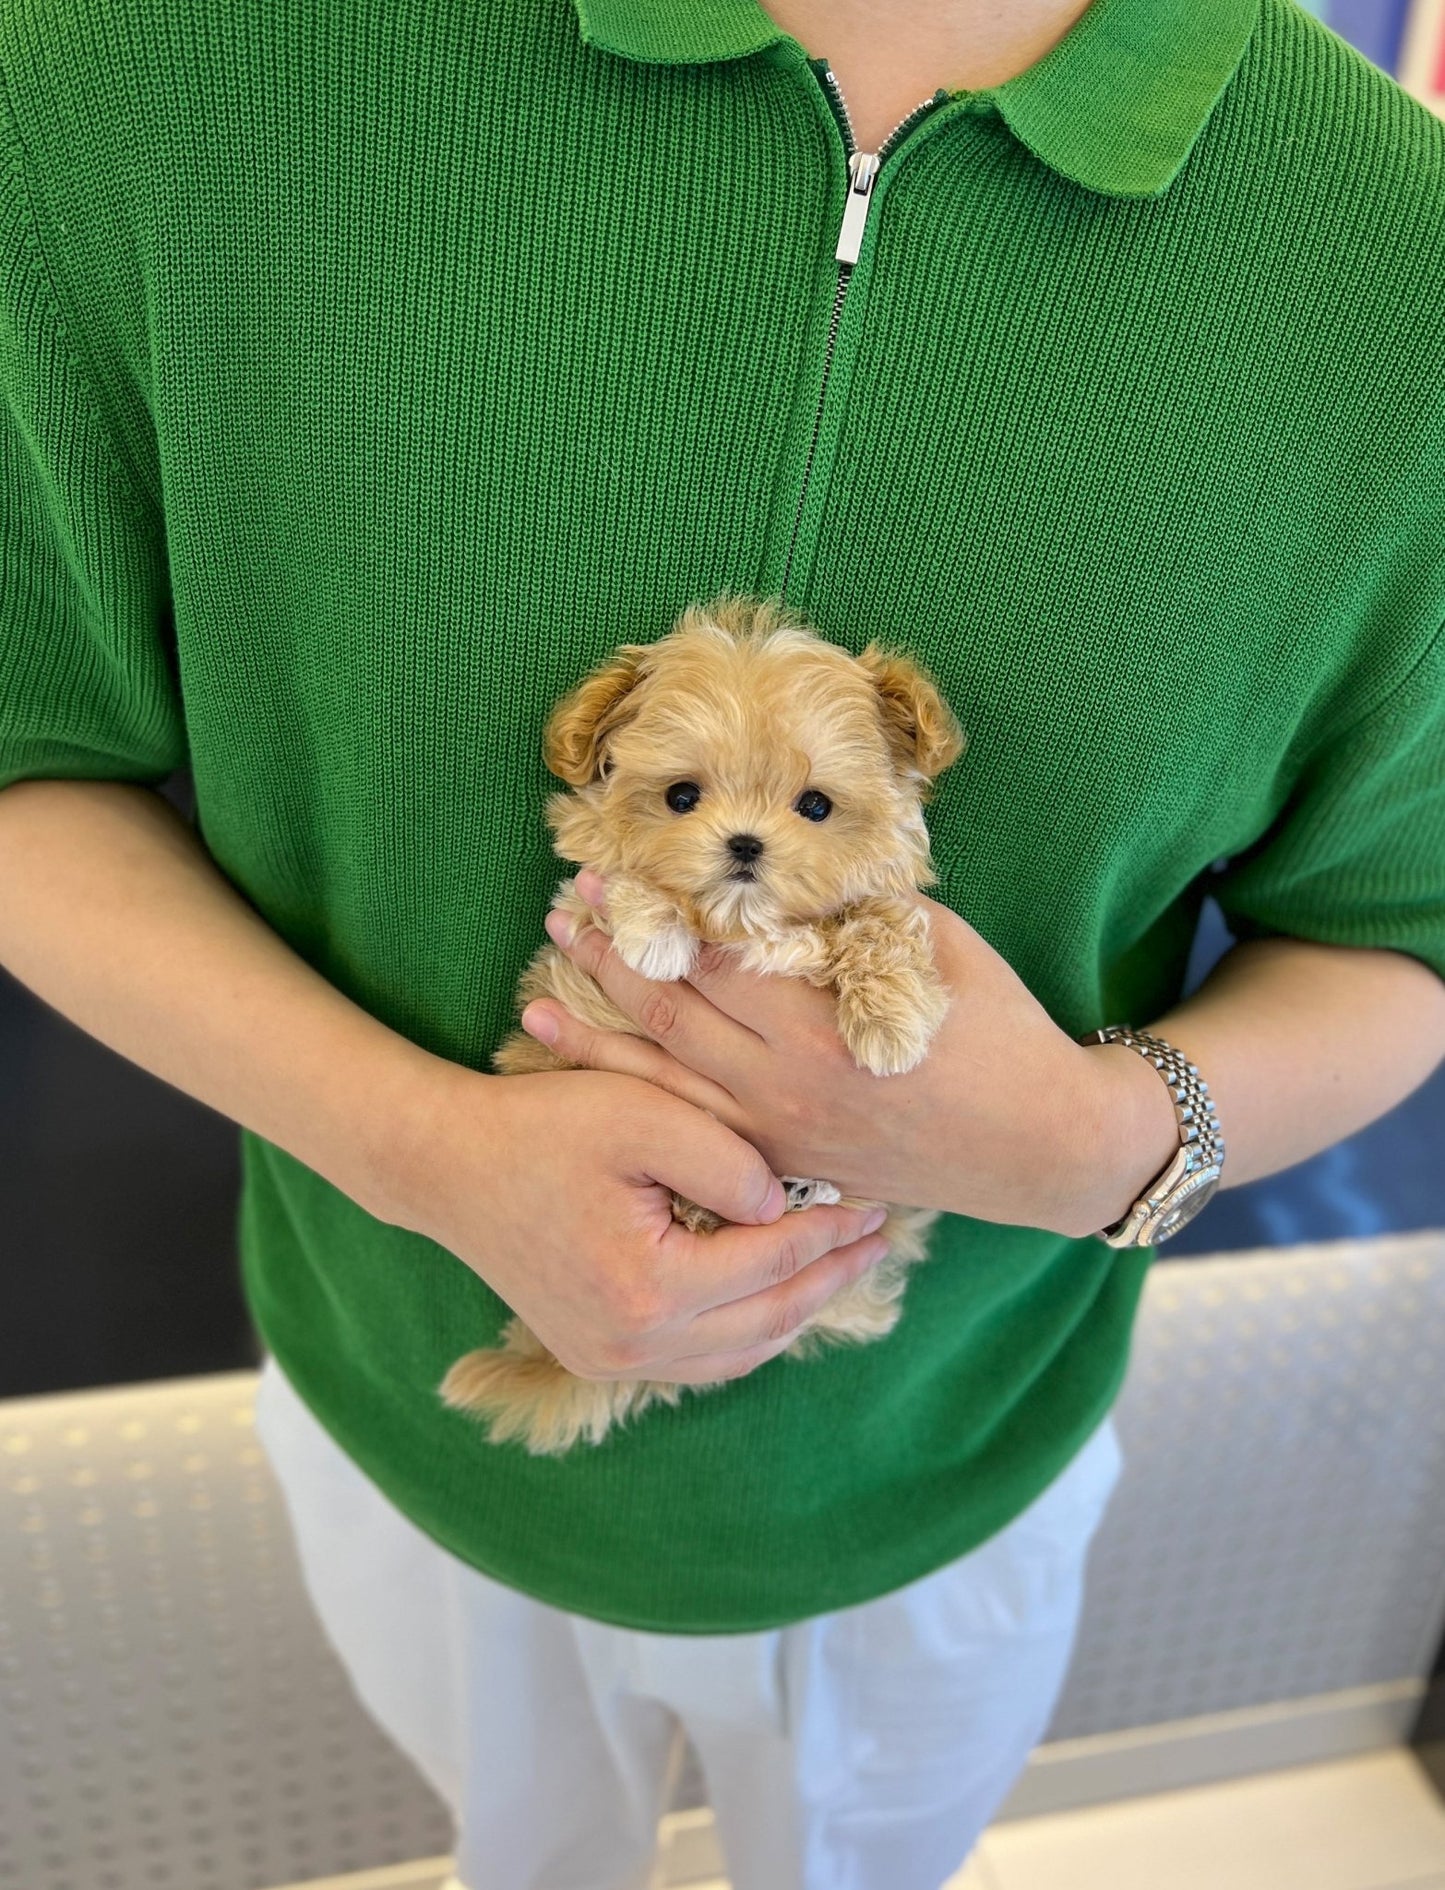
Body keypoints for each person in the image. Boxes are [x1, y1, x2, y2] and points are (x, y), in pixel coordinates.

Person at [1, 0, 1443, 1883]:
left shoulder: (1394, 278)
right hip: (411, 1419)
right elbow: (32, 755)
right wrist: (420, 1145)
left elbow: (1398, 935)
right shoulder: (145, 64)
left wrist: (1090, 1143)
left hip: (949, 1466)